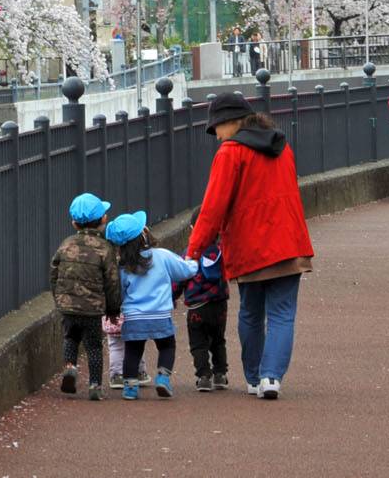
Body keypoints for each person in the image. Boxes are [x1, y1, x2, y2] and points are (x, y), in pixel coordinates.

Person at [187, 94, 315, 400]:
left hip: (251, 246)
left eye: (216, 127)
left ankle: (255, 376)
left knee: (251, 313)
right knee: (283, 314)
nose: (216, 134)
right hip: (289, 241)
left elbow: (213, 207)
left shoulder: (231, 152)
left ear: (231, 122)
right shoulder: (281, 146)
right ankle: (272, 378)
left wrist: (193, 251)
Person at [106, 210, 199, 400]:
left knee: (132, 351)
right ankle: (163, 378)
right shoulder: (162, 256)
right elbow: (184, 271)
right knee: (167, 346)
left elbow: (120, 292)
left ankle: (130, 387)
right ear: (143, 235)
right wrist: (194, 263)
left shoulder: (123, 266)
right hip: (160, 314)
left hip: (133, 317)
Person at [49, 193, 120, 401]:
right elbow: (112, 281)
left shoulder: (66, 243)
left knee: (70, 338)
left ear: (73, 222)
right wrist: (113, 308)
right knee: (94, 346)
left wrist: (59, 298)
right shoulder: (104, 248)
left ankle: (70, 367)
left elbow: (54, 273)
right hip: (92, 307)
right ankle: (95, 385)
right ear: (103, 220)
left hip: (67, 305)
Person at [174, 209, 230, 392]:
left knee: (198, 343)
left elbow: (179, 279)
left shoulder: (190, 254)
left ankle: (204, 376)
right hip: (219, 304)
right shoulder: (222, 252)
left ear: (192, 228)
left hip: (197, 307)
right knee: (218, 340)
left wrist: (171, 298)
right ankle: (220, 374)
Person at [102, 313, 125, 388]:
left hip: (114, 320)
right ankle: (139, 372)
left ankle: (117, 376)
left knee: (116, 348)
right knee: (136, 347)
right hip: (132, 319)